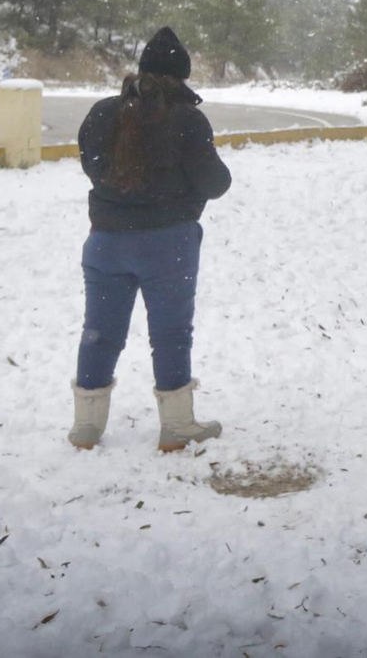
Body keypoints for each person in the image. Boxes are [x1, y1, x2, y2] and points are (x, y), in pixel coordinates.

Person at [69, 27, 233, 453]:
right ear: (181, 77)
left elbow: (92, 164)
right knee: (171, 334)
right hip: (168, 245)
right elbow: (215, 183)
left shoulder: (103, 112)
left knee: (99, 332)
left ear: (140, 72)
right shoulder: (188, 120)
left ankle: (86, 427)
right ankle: (176, 427)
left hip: (105, 242)